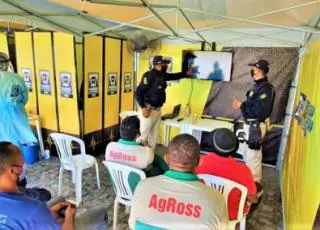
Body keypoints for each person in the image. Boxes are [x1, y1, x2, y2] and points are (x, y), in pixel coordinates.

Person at [0, 142, 108, 230]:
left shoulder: (31, 209)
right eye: (22, 162)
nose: (24, 164)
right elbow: (30, 215)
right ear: (12, 171)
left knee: (60, 199)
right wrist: (69, 217)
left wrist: (48, 212)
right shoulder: (33, 209)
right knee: (101, 213)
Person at [129, 134, 228, 230]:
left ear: (167, 159)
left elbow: (133, 225)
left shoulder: (143, 186)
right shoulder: (216, 199)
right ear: (198, 162)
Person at [0, 52, 51, 202]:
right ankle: (20, 189)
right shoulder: (16, 79)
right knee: (15, 156)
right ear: (7, 64)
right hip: (16, 122)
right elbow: (24, 99)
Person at [195, 128, 258, 220]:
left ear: (212, 145)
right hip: (230, 215)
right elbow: (252, 199)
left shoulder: (199, 161)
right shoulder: (243, 170)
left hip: (203, 209)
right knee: (258, 188)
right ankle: (242, 222)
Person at [232, 59, 275, 192]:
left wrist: (241, 105)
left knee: (253, 157)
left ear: (260, 70)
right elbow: (251, 105)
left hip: (255, 127)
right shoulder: (256, 86)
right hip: (249, 125)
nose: (252, 71)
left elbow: (259, 111)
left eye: (254, 68)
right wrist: (243, 105)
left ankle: (255, 187)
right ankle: (248, 182)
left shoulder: (267, 89)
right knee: (247, 155)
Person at [135, 56, 193, 149]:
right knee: (143, 137)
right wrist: (143, 107)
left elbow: (174, 76)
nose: (166, 65)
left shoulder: (162, 75)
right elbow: (138, 92)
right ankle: (136, 159)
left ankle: (149, 158)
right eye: (164, 64)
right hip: (148, 109)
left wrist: (185, 74)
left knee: (153, 138)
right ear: (158, 64)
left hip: (157, 111)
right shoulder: (149, 75)